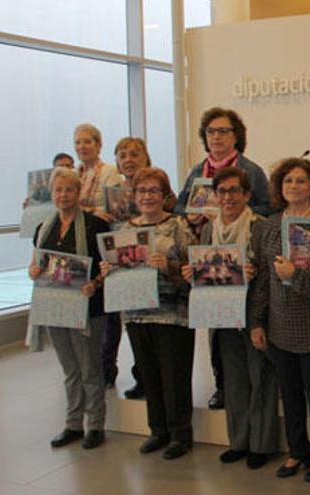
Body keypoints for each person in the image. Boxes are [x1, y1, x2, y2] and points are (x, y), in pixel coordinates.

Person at [250, 158, 310, 482]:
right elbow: (263, 279)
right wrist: (257, 322)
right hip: (278, 323)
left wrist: (297, 277)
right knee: (289, 393)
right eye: (288, 180)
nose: (294, 186)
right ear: (280, 186)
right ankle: (296, 451)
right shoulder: (267, 226)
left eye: (301, 181)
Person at [175, 107, 273, 411]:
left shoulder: (251, 170)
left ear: (237, 135)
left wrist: (234, 213)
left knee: (251, 328)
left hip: (243, 258)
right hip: (209, 257)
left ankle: (258, 389)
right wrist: (193, 215)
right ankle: (223, 384)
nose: (216, 137)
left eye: (223, 131)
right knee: (218, 330)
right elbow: (179, 208)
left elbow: (268, 209)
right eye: (211, 132)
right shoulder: (197, 171)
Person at [181, 167, 280, 470]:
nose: (228, 197)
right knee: (234, 380)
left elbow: (269, 277)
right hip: (222, 315)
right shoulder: (209, 229)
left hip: (253, 315)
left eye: (234, 191)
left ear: (247, 195)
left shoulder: (260, 226)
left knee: (260, 378)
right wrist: (191, 274)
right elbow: (207, 271)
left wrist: (255, 275)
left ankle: (261, 444)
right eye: (221, 191)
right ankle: (238, 441)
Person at [100, 167, 195, 460]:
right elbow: (119, 269)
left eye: (154, 191)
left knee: (174, 375)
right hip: (136, 313)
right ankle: (158, 430)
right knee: (150, 374)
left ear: (165, 195)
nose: (148, 196)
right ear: (134, 195)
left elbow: (195, 270)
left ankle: (180, 434)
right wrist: (108, 271)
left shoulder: (179, 225)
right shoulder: (125, 230)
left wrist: (169, 266)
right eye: (142, 191)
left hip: (172, 312)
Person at [29, 167, 110, 450]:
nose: (64, 195)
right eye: (58, 190)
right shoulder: (44, 229)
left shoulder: (94, 226)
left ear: (79, 192)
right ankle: (73, 424)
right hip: (55, 307)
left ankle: (96, 424)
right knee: (69, 369)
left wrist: (95, 283)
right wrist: (33, 270)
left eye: (69, 190)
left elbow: (107, 267)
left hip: (87, 307)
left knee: (90, 368)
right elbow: (37, 262)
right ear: (52, 194)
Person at [72, 124, 124, 388]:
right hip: (82, 247)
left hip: (104, 244)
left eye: (87, 142)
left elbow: (113, 209)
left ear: (99, 143)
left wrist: (86, 208)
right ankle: (88, 365)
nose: (82, 147)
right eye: (78, 142)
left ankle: (107, 366)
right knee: (88, 306)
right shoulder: (75, 174)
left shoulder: (111, 173)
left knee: (109, 309)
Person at [111, 137, 156, 400]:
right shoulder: (112, 191)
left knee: (152, 326)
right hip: (124, 266)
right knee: (135, 325)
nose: (128, 159)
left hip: (151, 264)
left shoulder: (155, 183)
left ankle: (152, 378)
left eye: (134, 154)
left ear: (145, 157)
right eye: (123, 155)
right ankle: (142, 377)